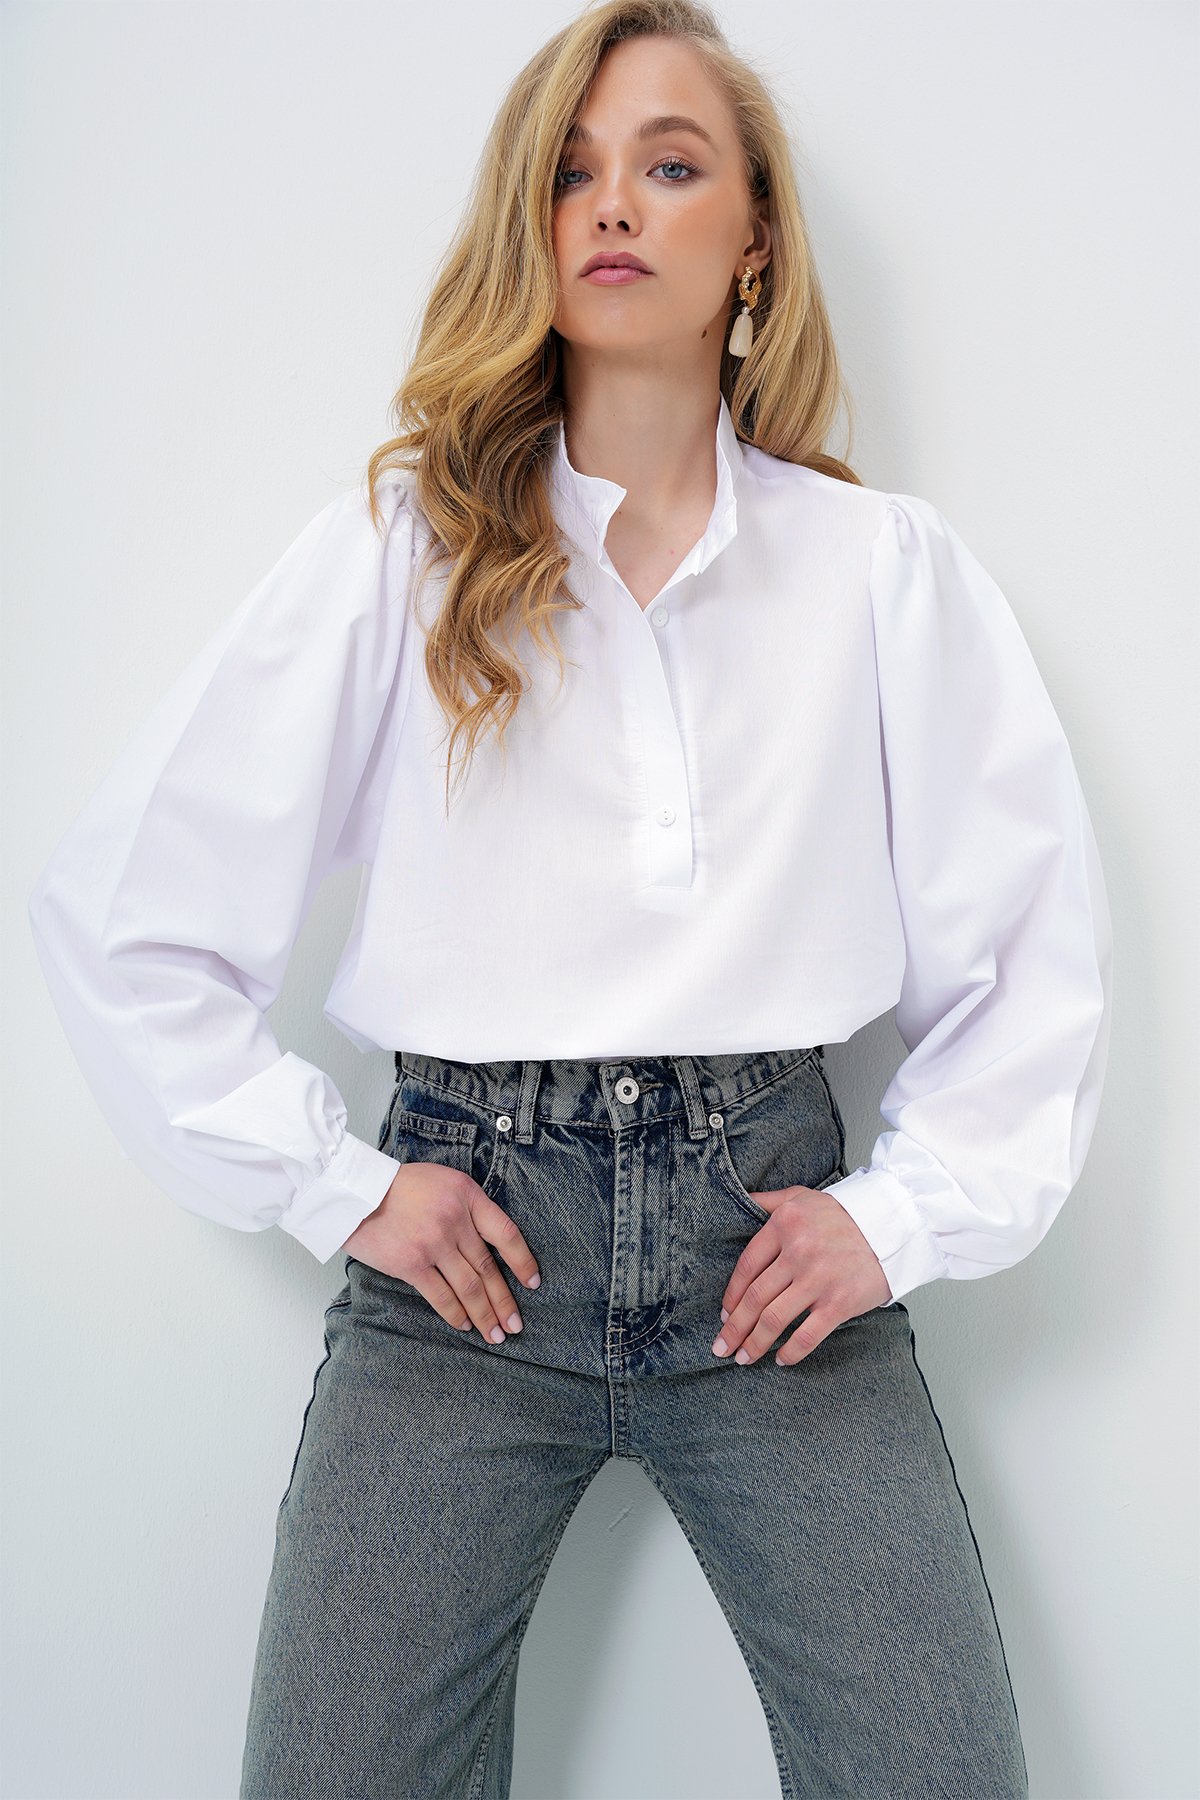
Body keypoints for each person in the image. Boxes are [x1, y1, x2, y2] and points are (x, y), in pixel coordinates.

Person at [27, 2, 1113, 1796]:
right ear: (530, 228)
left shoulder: (878, 570)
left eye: (671, 166)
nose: (613, 204)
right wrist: (336, 1186)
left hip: (772, 1248)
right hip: (472, 1256)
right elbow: (127, 916)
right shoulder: (410, 550)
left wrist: (903, 1219)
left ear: (754, 239)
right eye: (572, 170)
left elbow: (1030, 959)